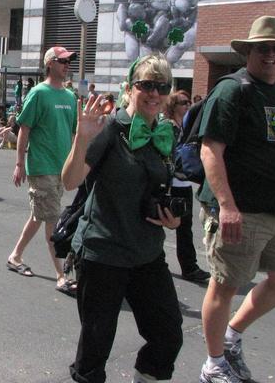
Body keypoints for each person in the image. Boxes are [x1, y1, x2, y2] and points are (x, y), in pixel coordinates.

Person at [62, 54, 183, 383]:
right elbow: (70, 181)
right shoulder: (111, 129)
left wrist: (172, 220)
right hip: (103, 252)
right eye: (146, 85)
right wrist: (81, 137)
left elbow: (163, 187)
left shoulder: (164, 134)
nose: (155, 93)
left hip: (147, 253)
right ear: (130, 88)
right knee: (95, 348)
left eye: (162, 86)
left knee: (167, 334)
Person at [197, 15, 275, 383]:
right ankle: (213, 364)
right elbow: (210, 150)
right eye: (264, 48)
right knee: (225, 285)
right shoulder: (233, 89)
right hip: (240, 210)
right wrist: (226, 206)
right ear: (250, 51)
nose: (272, 54)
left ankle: (231, 336)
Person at [7, 46, 78, 294]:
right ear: (50, 64)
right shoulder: (38, 93)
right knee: (52, 220)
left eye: (69, 61)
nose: (67, 64)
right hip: (42, 167)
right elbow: (24, 129)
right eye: (63, 61)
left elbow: (74, 134)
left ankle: (15, 256)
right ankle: (61, 275)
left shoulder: (70, 97)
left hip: (62, 168)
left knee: (39, 216)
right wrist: (19, 164)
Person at [164, 90, 211, 283]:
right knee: (159, 223)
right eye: (183, 102)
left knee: (185, 227)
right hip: (168, 184)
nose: (187, 105)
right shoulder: (167, 127)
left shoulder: (188, 126)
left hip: (183, 184)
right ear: (173, 106)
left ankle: (189, 267)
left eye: (188, 102)